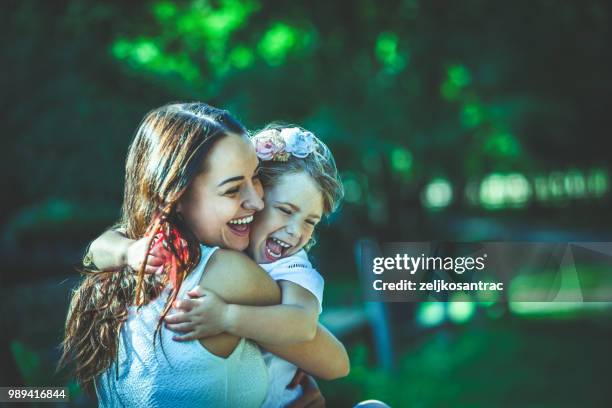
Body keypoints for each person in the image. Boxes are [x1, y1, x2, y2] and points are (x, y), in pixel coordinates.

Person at [60, 103, 348, 407]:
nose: (257, 202)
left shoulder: (125, 273)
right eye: (233, 189)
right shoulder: (230, 275)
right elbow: (336, 363)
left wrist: (128, 250)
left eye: (255, 178)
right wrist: (226, 316)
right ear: (177, 196)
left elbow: (94, 252)